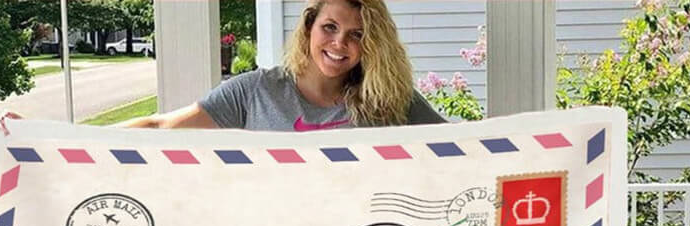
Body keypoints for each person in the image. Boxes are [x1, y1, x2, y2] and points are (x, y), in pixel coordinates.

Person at [123, 0, 447, 131]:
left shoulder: (390, 99)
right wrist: (90, 145)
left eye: (357, 35)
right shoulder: (254, 91)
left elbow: (461, 146)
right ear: (308, 28)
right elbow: (161, 127)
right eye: (330, 27)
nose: (339, 43)